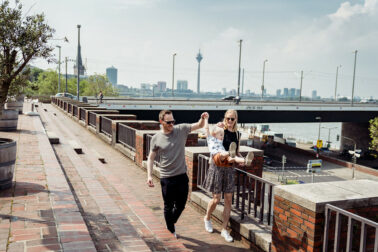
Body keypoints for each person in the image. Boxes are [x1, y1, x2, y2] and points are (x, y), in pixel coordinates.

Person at [146, 110, 209, 237]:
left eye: (173, 121)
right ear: (161, 121)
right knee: (168, 206)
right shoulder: (156, 138)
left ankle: (171, 221)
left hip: (181, 175)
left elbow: (199, 125)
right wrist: (149, 175)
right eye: (168, 122)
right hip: (166, 177)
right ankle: (171, 229)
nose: (171, 124)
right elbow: (151, 158)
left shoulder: (181, 129)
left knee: (181, 204)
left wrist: (203, 118)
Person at [202, 109, 245, 242]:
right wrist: (213, 122)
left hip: (230, 169)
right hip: (218, 167)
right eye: (228, 118)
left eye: (232, 119)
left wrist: (241, 159)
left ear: (236, 119)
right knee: (216, 199)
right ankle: (207, 218)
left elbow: (237, 152)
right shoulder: (221, 129)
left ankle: (224, 229)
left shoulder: (237, 134)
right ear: (225, 119)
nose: (230, 121)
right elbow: (211, 134)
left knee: (228, 200)